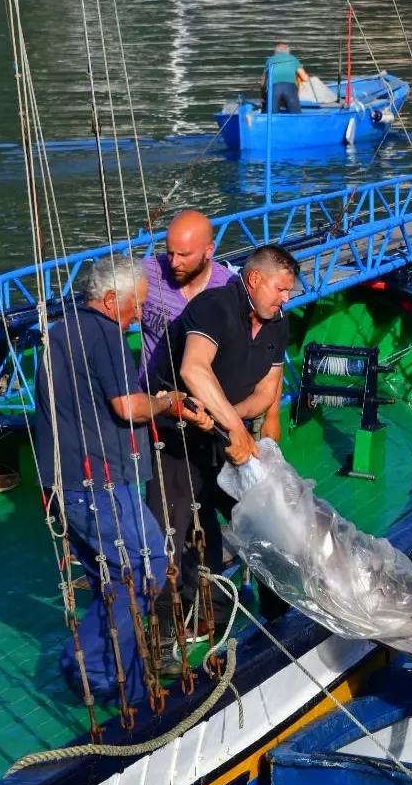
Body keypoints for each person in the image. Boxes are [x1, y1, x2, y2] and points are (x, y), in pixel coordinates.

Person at [34, 253, 211, 706]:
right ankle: (88, 665)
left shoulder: (57, 333)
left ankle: (125, 684)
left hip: (64, 483)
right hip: (102, 484)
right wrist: (167, 402)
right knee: (146, 569)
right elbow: (127, 407)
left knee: (114, 578)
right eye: (135, 307)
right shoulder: (106, 334)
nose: (136, 319)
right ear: (112, 300)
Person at [147, 243, 299, 622]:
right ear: (254, 279)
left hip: (227, 436)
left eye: (289, 292)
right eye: (280, 289)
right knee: (172, 533)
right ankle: (165, 632)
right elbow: (193, 370)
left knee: (264, 520)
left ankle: (279, 610)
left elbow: (267, 390)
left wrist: (235, 424)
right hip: (178, 434)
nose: (285, 299)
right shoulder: (213, 307)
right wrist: (234, 427)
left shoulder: (277, 322)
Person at [139, 209, 234, 386]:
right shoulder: (147, 273)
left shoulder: (229, 289)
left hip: (202, 401)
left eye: (184, 255)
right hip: (152, 399)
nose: (174, 263)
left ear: (208, 251)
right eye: (169, 252)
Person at [262, 42, 309, 114]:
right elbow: (305, 78)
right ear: (288, 52)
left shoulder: (269, 60)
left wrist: (263, 96)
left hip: (273, 88)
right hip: (290, 88)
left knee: (271, 115)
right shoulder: (293, 58)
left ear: (275, 52)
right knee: (295, 115)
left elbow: (263, 83)